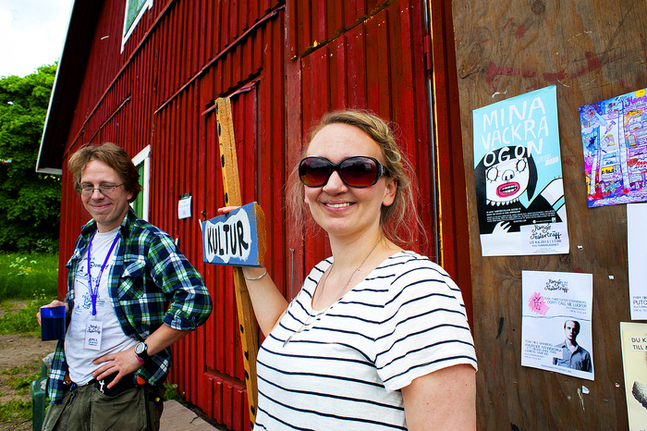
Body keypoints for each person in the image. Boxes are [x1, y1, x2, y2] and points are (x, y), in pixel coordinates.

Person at [220, 110, 477, 430]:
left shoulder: (418, 290)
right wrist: (249, 261)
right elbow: (284, 334)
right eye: (316, 170)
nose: (334, 184)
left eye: (358, 170)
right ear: (305, 188)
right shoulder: (322, 273)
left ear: (389, 189)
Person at [37, 143, 213, 430]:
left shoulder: (149, 240)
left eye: (107, 185)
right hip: (70, 380)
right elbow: (99, 299)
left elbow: (196, 301)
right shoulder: (85, 238)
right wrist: (65, 307)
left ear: (129, 190)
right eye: (87, 186)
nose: (96, 195)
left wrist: (139, 353)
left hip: (121, 391)